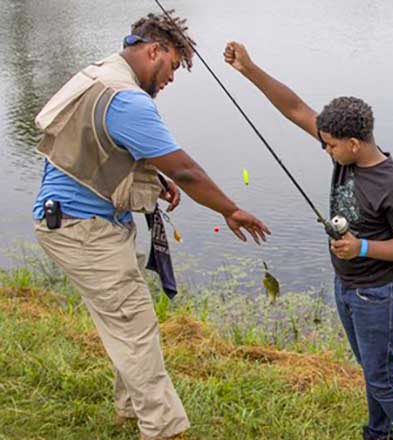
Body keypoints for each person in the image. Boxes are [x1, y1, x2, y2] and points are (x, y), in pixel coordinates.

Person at [32, 12, 270, 440]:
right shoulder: (128, 100)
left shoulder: (99, 73)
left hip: (74, 221)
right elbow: (188, 171)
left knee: (125, 320)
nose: (172, 78)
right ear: (154, 50)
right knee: (135, 326)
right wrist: (230, 210)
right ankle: (163, 429)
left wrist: (150, 179)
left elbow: (97, 147)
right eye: (174, 66)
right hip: (83, 229)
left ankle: (129, 409)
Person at [224, 42, 393, 440]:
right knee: (373, 374)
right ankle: (377, 434)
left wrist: (362, 248)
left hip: (380, 293)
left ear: (354, 143)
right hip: (348, 286)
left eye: (332, 145)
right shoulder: (345, 152)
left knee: (384, 378)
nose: (326, 149)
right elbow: (295, 108)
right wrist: (249, 69)